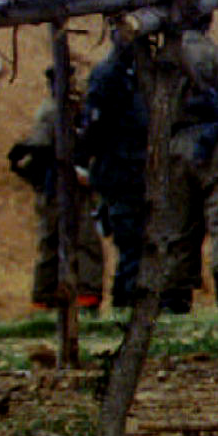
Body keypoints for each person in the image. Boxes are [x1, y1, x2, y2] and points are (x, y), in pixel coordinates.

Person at [150, 12, 218, 311]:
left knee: (177, 226)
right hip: (212, 144)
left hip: (172, 144)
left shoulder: (162, 57)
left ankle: (173, 302)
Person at [9, 94, 104, 310]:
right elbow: (42, 149)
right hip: (57, 188)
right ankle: (53, 299)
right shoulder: (53, 112)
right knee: (65, 241)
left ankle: (78, 298)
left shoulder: (65, 112)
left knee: (78, 242)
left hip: (67, 186)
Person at [75, 35, 149, 308]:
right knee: (130, 242)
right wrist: (82, 162)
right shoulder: (109, 75)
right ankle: (125, 303)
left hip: (133, 171)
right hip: (119, 172)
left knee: (137, 242)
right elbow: (94, 125)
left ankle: (128, 301)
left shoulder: (134, 75)